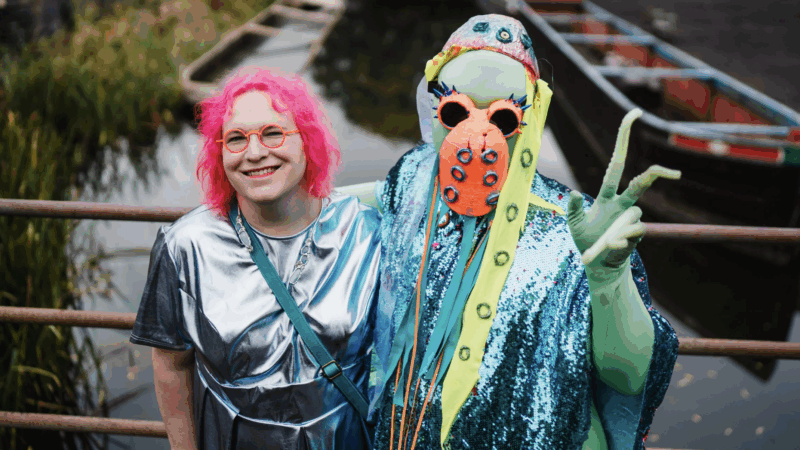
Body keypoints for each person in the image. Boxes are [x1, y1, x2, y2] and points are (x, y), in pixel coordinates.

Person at [370, 15, 680, 450]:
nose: (475, 137)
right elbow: (372, 198)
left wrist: (610, 278)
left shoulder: (576, 226)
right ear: (432, 109)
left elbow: (629, 376)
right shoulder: (413, 178)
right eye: (456, 112)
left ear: (529, 121)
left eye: (502, 119)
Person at [130, 68, 381, 450]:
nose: (255, 153)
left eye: (273, 133)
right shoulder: (186, 245)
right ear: (218, 153)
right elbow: (170, 363)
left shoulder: (366, 231)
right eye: (235, 139)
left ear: (306, 141)